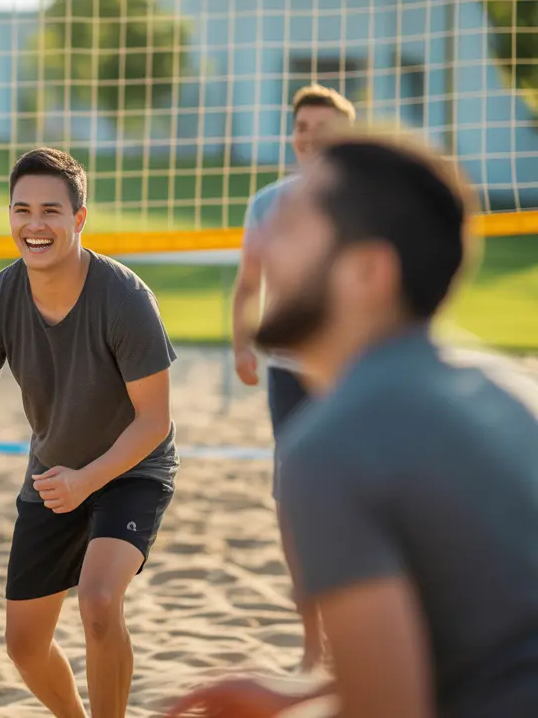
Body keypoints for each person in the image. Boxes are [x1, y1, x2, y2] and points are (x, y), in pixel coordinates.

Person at [165, 134, 538, 718]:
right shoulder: (503, 389)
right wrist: (302, 697)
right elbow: (483, 640)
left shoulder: (331, 448)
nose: (256, 244)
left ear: (368, 272)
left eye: (288, 226)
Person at [0, 147, 179, 718]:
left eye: (50, 210)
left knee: (98, 601)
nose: (34, 224)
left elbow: (155, 421)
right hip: (53, 474)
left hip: (131, 468)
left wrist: (87, 479)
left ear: (79, 218)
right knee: (23, 645)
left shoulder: (125, 298)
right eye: (22, 210)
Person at [230, 82, 355, 671]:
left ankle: (360, 631)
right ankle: (312, 641)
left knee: (354, 497)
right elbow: (248, 284)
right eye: (302, 127)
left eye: (322, 128)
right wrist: (242, 344)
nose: (309, 137)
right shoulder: (268, 203)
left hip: (350, 372)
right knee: (294, 501)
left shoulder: (364, 199)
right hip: (289, 374)